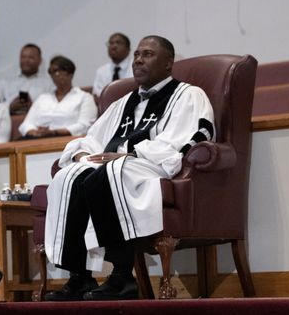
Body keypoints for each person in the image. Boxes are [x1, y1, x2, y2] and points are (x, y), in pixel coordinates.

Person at [43, 36, 215, 301]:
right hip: (118, 164)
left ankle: (122, 276)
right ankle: (80, 276)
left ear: (168, 63)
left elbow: (190, 138)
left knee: (108, 174)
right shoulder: (122, 103)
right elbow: (94, 137)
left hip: (150, 165)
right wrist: (82, 154)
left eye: (147, 54)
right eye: (136, 55)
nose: (138, 60)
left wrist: (128, 154)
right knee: (70, 176)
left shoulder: (188, 95)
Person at [18, 55, 97, 139]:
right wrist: (34, 132)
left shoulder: (84, 98)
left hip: (66, 140)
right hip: (36, 138)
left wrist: (55, 132)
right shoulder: (42, 98)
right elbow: (26, 124)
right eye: (51, 72)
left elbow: (85, 125)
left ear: (70, 73)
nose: (54, 75)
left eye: (57, 71)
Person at [0, 44, 54, 115]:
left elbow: (53, 108)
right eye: (23, 57)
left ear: (40, 61)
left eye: (31, 57)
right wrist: (9, 107)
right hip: (9, 118)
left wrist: (32, 107)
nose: (26, 60)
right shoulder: (5, 82)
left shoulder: (49, 84)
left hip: (38, 120)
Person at [91, 32, 133, 98]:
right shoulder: (101, 71)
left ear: (128, 49)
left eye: (118, 43)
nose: (113, 46)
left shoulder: (136, 67)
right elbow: (97, 95)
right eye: (111, 43)